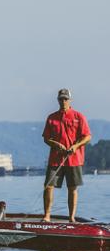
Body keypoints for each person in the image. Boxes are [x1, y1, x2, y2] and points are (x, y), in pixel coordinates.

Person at [42, 88, 91, 223]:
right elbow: (46, 138)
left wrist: (75, 146)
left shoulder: (79, 116)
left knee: (72, 188)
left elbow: (87, 136)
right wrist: (56, 144)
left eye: (65, 99)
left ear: (70, 100)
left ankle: (71, 217)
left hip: (74, 159)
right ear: (58, 100)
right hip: (55, 159)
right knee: (48, 186)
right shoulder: (51, 118)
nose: (63, 101)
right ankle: (47, 216)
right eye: (61, 99)